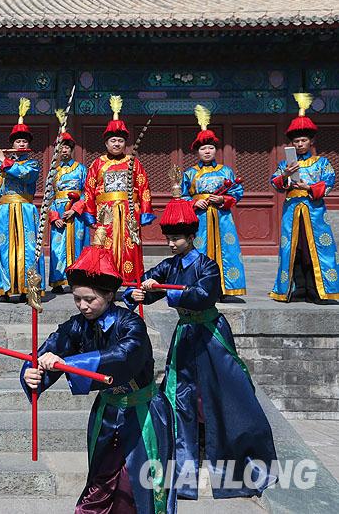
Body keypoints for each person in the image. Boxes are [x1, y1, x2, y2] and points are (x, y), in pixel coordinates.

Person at [123, 192, 277, 500]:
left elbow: (205, 294)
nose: (171, 244)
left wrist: (168, 293)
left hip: (210, 334)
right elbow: (147, 282)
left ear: (192, 237)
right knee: (179, 397)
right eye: (168, 239)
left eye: (177, 239)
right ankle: (182, 473)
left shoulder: (207, 265)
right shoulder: (170, 265)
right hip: (185, 336)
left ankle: (243, 465)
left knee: (229, 394)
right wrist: (139, 292)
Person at [22, 219, 172, 514]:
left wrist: (68, 364)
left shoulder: (131, 323)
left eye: (89, 299)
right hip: (107, 413)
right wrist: (34, 372)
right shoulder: (76, 326)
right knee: (99, 485)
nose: (82, 306)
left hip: (142, 415)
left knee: (138, 487)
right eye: (77, 299)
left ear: (108, 296)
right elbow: (48, 351)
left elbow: (124, 357)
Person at [269, 93, 338, 304]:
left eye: (304, 140)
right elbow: (274, 183)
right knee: (293, 249)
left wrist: (308, 186)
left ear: (311, 141)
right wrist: (287, 175)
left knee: (315, 249)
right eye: (296, 141)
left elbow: (329, 182)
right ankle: (295, 290)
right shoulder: (286, 164)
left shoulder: (321, 162)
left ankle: (319, 291)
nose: (300, 144)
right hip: (292, 210)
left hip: (314, 210)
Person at [81, 95, 154, 284]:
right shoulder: (98, 164)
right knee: (104, 246)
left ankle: (131, 282)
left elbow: (143, 186)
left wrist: (145, 211)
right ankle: (105, 281)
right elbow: (89, 189)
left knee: (130, 247)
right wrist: (89, 212)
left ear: (125, 143)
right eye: (113, 140)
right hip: (105, 214)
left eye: (120, 141)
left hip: (129, 212)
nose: (116, 144)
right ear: (106, 143)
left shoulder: (133, 162)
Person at [0, 98, 45, 302]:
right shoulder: (2, 164)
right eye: (18, 141)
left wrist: (3, 161)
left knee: (28, 249)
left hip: (25, 209)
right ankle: (5, 289)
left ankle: (29, 289)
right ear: (12, 144)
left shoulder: (33, 163)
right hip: (6, 209)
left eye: (24, 141)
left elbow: (27, 175)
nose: (21, 143)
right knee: (4, 248)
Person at [181, 105, 246, 301]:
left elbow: (237, 191)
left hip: (222, 217)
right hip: (199, 219)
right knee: (199, 252)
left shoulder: (226, 171)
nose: (207, 151)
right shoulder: (190, 173)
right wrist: (195, 202)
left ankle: (225, 289)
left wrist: (223, 199)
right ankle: (199, 288)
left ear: (215, 150)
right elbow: (182, 197)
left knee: (226, 251)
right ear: (197, 151)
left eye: (210, 147)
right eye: (203, 148)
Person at [47, 127, 89, 293]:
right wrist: (54, 216)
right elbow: (48, 197)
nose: (63, 150)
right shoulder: (53, 172)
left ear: (71, 150)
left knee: (78, 245)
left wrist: (76, 209)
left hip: (76, 213)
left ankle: (77, 280)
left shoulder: (81, 169)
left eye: (66, 147)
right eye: (60, 148)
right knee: (57, 247)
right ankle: (58, 281)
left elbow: (88, 193)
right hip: (59, 210)